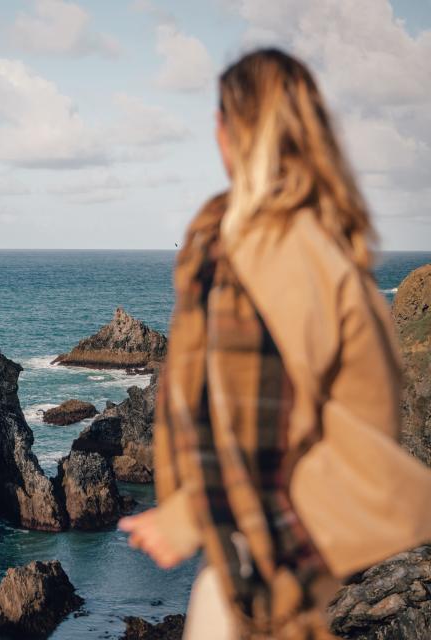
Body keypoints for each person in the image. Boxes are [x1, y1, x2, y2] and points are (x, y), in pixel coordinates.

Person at [118, 48, 431, 639]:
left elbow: (260, 419)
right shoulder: (332, 243)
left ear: (231, 130)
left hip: (272, 550)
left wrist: (193, 514)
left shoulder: (252, 248)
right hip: (331, 536)